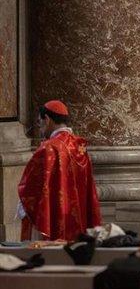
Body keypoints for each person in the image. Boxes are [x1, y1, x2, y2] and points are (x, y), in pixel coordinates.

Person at [18, 100, 101, 241]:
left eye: (40, 122)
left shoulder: (48, 148)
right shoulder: (79, 146)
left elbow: (30, 188)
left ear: (48, 120)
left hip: (54, 216)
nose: (40, 128)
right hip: (77, 215)